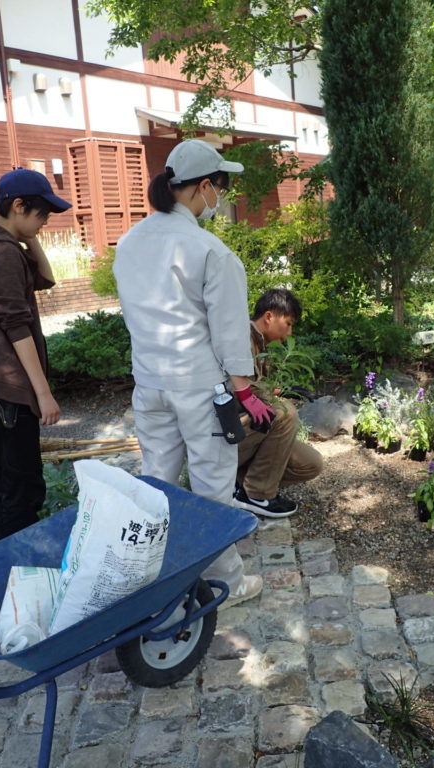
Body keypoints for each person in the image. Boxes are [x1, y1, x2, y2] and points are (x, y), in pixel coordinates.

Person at [113, 139, 268, 607]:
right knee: (212, 486)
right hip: (201, 387)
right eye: (220, 187)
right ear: (203, 187)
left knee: (155, 479)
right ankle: (227, 583)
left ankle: (144, 573)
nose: (222, 198)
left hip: (150, 382)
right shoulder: (211, 251)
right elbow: (227, 332)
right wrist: (245, 391)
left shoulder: (130, 241)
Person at [0, 168, 70, 540]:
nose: (44, 224)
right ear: (19, 205)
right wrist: (43, 393)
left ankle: (8, 564)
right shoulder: (0, 253)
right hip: (7, 390)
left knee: (11, 482)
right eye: (42, 215)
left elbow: (47, 278)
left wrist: (27, 236)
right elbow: (16, 327)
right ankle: (17, 571)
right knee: (23, 489)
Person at [233, 289, 324, 517]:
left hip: (248, 433)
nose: (289, 332)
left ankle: (238, 484)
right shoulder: (240, 338)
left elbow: (258, 384)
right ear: (269, 316)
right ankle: (258, 495)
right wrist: (279, 397)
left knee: (311, 463)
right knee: (284, 413)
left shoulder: (260, 342)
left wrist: (285, 390)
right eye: (288, 323)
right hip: (223, 436)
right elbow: (237, 388)